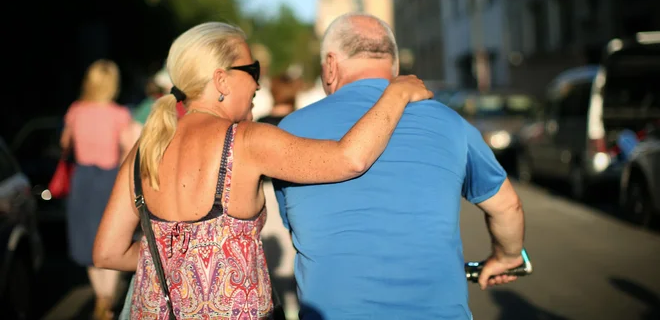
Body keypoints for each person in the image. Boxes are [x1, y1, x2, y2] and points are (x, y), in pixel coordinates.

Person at [92, 22, 432, 319]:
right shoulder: (245, 141)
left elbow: (108, 252)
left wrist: (179, 262)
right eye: (253, 71)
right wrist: (396, 93)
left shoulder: (147, 146)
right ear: (221, 80)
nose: (258, 84)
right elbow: (349, 159)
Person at [273, 13, 526, 320]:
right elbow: (507, 207)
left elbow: (298, 228)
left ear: (330, 65)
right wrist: (507, 256)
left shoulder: (288, 131)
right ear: (394, 66)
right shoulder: (452, 124)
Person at [59, 59, 132, 320]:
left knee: (87, 240)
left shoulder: (76, 110)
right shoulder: (119, 114)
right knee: (111, 238)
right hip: (109, 181)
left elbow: (65, 143)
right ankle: (108, 299)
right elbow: (128, 149)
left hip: (82, 179)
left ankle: (101, 297)